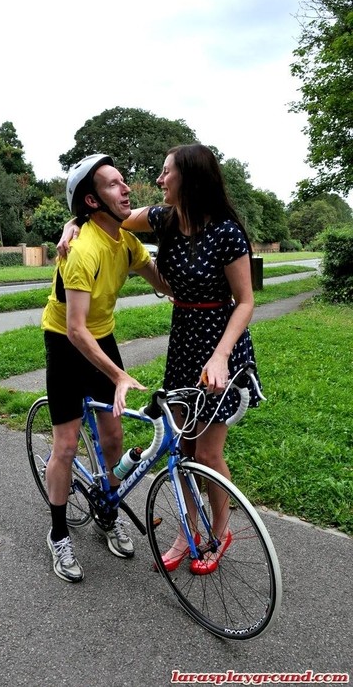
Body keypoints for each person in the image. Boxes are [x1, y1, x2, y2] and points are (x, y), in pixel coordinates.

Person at [58, 143, 262, 575]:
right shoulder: (162, 218)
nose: (158, 180)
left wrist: (222, 356)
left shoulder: (227, 231)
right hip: (185, 339)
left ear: (189, 178)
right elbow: (97, 213)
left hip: (219, 340)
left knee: (207, 452)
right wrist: (69, 226)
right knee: (182, 445)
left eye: (166, 172)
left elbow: (245, 302)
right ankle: (186, 530)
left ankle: (217, 531)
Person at [42, 153, 171, 583]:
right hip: (66, 342)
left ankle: (107, 509)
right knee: (65, 445)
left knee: (113, 434)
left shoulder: (127, 241)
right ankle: (58, 534)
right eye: (114, 184)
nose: (126, 188)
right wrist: (117, 374)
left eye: (124, 181)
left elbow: (162, 282)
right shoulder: (81, 250)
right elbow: (76, 330)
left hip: (104, 337)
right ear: (92, 201)